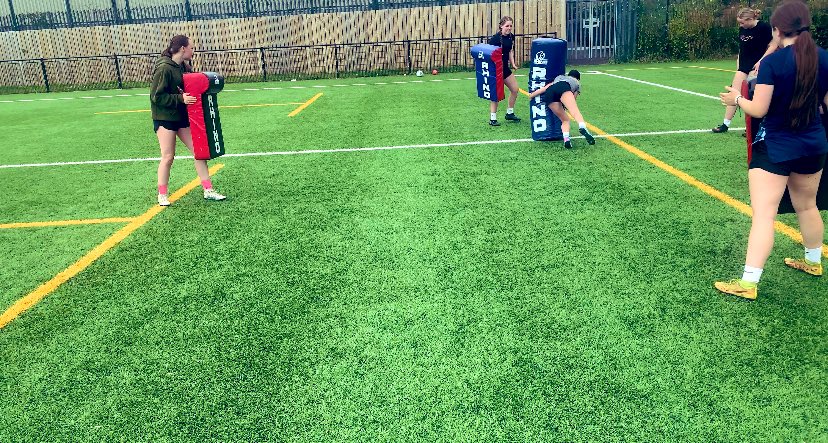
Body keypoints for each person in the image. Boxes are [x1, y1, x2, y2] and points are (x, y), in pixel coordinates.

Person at [716, 0, 827, 300]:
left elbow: (758, 108)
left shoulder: (773, 64)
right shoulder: (825, 58)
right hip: (813, 146)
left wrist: (735, 100)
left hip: (775, 147)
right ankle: (813, 262)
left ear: (777, 31)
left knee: (764, 215)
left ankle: (749, 283)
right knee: (807, 205)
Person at [150, 34, 226, 206]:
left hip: (182, 117)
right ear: (183, 48)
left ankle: (208, 190)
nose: (193, 50)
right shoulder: (164, 68)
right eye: (191, 47)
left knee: (199, 151)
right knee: (168, 156)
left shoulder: (183, 66)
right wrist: (180, 99)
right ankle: (162, 195)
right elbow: (156, 97)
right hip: (165, 118)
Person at [713, 8, 778, 134]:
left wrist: (762, 62)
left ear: (750, 19)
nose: (740, 25)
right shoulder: (743, 29)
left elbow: (774, 45)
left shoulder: (764, 27)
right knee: (734, 93)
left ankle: (750, 127)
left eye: (742, 22)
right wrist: (739, 64)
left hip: (758, 66)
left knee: (752, 96)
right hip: (744, 66)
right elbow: (741, 48)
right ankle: (725, 124)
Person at [528, 70, 596, 149]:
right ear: (578, 78)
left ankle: (566, 139)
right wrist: (566, 104)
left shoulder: (559, 77)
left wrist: (532, 95)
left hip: (549, 93)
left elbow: (546, 88)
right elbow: (573, 98)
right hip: (564, 88)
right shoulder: (577, 83)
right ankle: (582, 127)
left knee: (565, 120)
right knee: (575, 112)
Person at [488, 16, 521, 126]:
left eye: (511, 26)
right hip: (495, 70)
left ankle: (509, 113)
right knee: (496, 95)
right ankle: (493, 119)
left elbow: (510, 51)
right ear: (501, 26)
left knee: (515, 89)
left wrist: (513, 64)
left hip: (505, 69)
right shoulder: (495, 39)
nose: (509, 28)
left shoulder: (511, 36)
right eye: (507, 26)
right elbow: (489, 54)